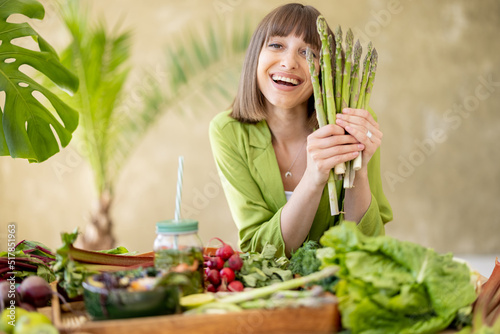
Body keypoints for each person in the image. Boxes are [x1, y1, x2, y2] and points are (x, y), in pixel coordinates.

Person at [209, 3, 392, 258]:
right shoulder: (228, 131)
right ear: (255, 55)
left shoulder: (355, 121)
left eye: (308, 53)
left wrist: (357, 172)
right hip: (270, 293)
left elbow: (366, 248)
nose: (289, 63)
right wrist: (314, 176)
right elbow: (260, 251)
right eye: (276, 45)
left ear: (324, 69)